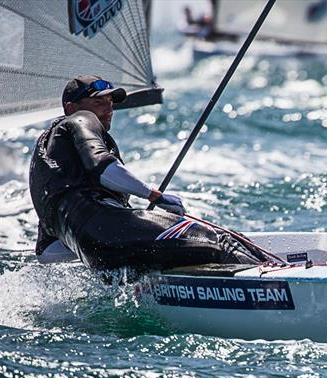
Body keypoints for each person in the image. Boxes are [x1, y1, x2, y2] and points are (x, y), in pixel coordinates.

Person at [29, 75, 261, 271]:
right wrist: (154, 196)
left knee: (185, 246)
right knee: (220, 240)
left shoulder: (52, 162)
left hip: (99, 253)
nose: (109, 107)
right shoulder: (79, 120)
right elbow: (103, 167)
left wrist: (127, 236)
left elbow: (47, 252)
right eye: (98, 101)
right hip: (108, 231)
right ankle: (272, 278)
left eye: (110, 101)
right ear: (71, 108)